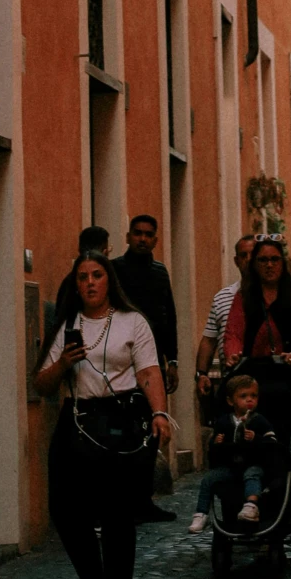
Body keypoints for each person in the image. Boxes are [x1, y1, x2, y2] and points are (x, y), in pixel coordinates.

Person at [35, 251, 172, 579]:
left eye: (97, 275)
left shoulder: (132, 322)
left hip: (122, 419)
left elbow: (148, 372)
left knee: (117, 512)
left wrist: (159, 413)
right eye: (83, 277)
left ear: (109, 280)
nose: (90, 282)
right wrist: (64, 363)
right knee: (63, 505)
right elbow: (42, 384)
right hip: (77, 418)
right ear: (76, 284)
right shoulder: (67, 326)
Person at [223, 235, 291, 524]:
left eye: (274, 259)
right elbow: (234, 331)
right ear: (254, 264)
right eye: (262, 260)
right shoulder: (245, 297)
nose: (269, 265)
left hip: (289, 376)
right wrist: (232, 354)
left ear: (283, 263)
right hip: (255, 376)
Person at [114, 214, 179, 521]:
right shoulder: (115, 270)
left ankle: (143, 500)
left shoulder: (159, 272)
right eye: (137, 233)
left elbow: (170, 318)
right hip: (123, 362)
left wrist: (173, 360)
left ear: (155, 239)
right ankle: (123, 500)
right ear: (128, 237)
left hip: (154, 361)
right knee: (125, 430)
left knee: (153, 430)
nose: (142, 239)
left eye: (148, 234)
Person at [188, 369, 279, 532]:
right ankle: (201, 513)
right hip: (230, 467)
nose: (249, 400)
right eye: (243, 396)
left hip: (253, 463)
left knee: (252, 474)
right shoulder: (224, 422)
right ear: (231, 401)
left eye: (253, 396)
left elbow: (272, 442)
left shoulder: (259, 420)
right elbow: (215, 451)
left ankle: (251, 505)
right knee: (208, 479)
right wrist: (217, 444)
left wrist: (257, 439)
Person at [193, 232, 257, 409]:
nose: (248, 259)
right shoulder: (223, 297)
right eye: (243, 255)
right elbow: (209, 339)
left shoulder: (273, 296)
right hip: (231, 383)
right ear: (237, 261)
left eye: (253, 254)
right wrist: (201, 374)